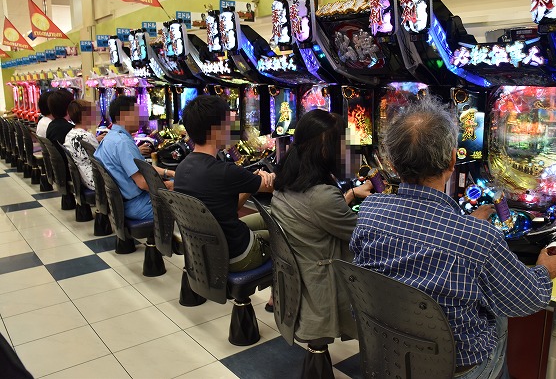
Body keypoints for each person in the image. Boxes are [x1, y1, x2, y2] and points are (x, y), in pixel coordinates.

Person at [351, 97, 556, 379]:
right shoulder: (479, 238)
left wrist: (466, 226)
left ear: (391, 162)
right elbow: (526, 300)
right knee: (498, 311)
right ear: (453, 160)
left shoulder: (370, 210)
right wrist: (544, 270)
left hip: (389, 352)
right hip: (456, 368)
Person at [271, 109, 373, 343]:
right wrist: (384, 205)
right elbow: (362, 235)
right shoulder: (322, 196)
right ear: (326, 150)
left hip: (298, 276)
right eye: (345, 145)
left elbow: (316, 214)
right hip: (325, 284)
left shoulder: (286, 179)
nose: (349, 152)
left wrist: (350, 194)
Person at [174, 95, 274, 272]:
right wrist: (270, 176)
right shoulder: (225, 171)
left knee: (268, 217)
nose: (232, 129)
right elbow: (273, 185)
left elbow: (226, 208)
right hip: (237, 254)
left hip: (208, 251)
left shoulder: (183, 167)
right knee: (281, 235)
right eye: (228, 123)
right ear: (216, 130)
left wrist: (249, 184)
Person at [94, 96, 174, 220]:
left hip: (122, 203)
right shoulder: (122, 142)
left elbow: (143, 167)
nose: (140, 118)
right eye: (137, 114)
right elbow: (142, 183)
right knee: (186, 191)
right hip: (137, 205)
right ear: (123, 115)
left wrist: (169, 172)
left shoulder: (110, 138)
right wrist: (169, 185)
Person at [63, 99, 101, 190]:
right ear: (84, 117)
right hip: (95, 180)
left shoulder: (70, 134)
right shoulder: (87, 136)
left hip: (83, 178)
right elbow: (102, 159)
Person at [45, 89, 75, 173]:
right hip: (69, 172)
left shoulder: (52, 125)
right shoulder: (69, 129)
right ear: (69, 107)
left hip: (59, 170)